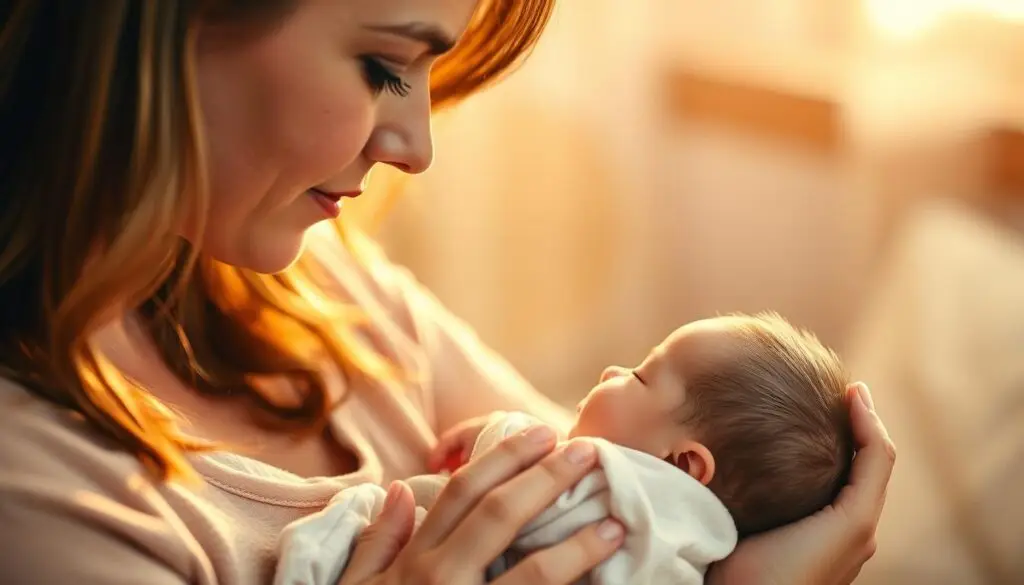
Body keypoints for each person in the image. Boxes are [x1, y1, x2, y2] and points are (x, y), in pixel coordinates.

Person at [0, 2, 895, 584]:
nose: (416, 145)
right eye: (386, 68)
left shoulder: (332, 293)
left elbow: (642, 480)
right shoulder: (37, 495)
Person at [275, 312, 853, 585]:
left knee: (353, 524)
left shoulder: (617, 487)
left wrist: (494, 431)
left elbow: (530, 462)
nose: (611, 370)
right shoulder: (694, 552)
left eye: (642, 377)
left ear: (685, 463)